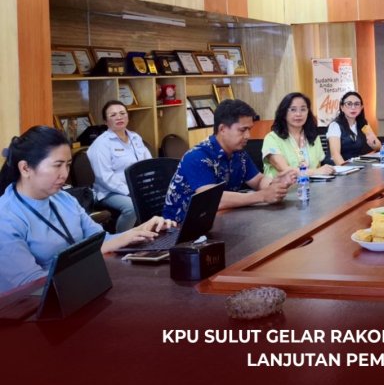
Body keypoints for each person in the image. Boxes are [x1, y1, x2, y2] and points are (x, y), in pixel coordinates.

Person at [0, 126, 173, 292]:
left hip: (80, 288)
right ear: (25, 168)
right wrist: (98, 251)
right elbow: (29, 285)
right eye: (57, 165)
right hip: (35, 304)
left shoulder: (64, 198)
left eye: (68, 165)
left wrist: (140, 231)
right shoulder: (6, 217)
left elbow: (100, 240)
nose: (65, 174)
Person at [162, 99, 293, 223]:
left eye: (249, 129)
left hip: (222, 220)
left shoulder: (238, 153)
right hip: (181, 228)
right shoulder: (196, 157)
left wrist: (275, 184)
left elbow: (258, 181)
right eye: (242, 130)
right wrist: (262, 196)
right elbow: (213, 200)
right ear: (222, 129)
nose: (248, 136)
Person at [86, 100, 153, 232]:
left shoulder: (135, 138)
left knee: (161, 196)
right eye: (113, 115)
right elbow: (104, 178)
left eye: (122, 113)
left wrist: (150, 185)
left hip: (137, 188)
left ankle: (151, 234)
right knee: (132, 207)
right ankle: (120, 239)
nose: (119, 117)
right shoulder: (101, 144)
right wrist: (130, 191)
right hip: (109, 192)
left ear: (128, 116)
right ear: (106, 121)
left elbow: (148, 164)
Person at [263, 92, 335, 177]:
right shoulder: (272, 138)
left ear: (308, 112)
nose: (298, 114)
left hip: (311, 184)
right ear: (284, 113)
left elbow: (318, 167)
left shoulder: (313, 137)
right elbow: (284, 170)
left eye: (303, 109)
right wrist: (315, 172)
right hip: (281, 185)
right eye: (293, 110)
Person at [327, 91, 382, 166]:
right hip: (339, 168)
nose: (353, 107)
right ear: (342, 107)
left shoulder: (363, 124)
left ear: (361, 107)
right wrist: (346, 170)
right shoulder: (335, 125)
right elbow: (335, 155)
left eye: (357, 104)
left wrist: (373, 143)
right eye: (349, 104)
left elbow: (379, 147)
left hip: (357, 166)